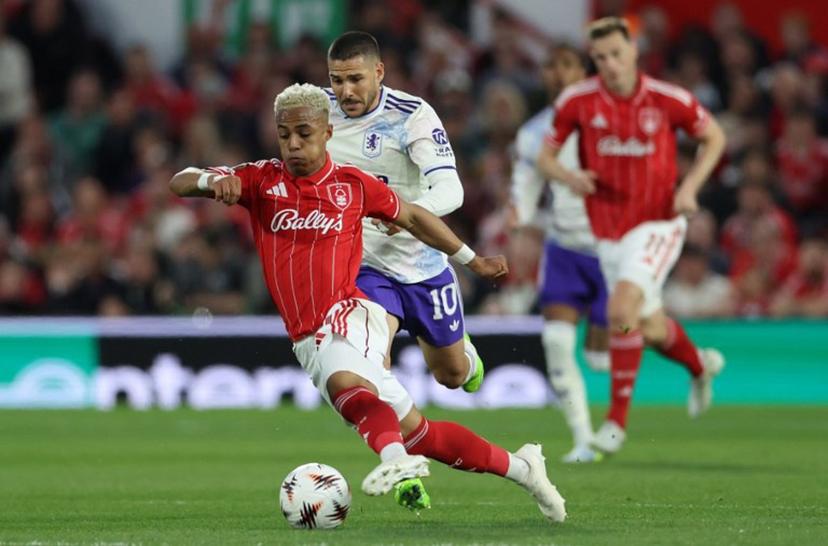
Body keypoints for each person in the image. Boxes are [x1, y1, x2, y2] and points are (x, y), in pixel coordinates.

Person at [169, 83, 566, 522]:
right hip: (306, 338)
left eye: (304, 133)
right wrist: (211, 180)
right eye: (285, 135)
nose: (294, 144)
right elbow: (180, 180)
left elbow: (414, 217)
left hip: (349, 311)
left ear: (328, 131)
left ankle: (393, 462)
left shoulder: (352, 186)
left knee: (344, 383)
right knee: (421, 435)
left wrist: (471, 261)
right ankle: (524, 468)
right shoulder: (260, 180)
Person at [538, 17, 727, 455]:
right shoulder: (577, 101)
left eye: (617, 54)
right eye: (601, 57)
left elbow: (714, 136)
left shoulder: (666, 98)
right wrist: (570, 175)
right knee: (645, 324)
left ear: (634, 51)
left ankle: (615, 424)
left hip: (658, 223)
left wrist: (689, 187)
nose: (610, 64)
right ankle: (699, 368)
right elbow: (546, 159)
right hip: (607, 232)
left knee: (620, 307)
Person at [322, 31, 484, 394]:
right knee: (371, 361)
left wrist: (405, 213)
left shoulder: (412, 116)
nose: (345, 91)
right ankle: (395, 449)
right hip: (361, 264)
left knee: (452, 375)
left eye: (355, 79)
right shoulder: (319, 113)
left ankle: (466, 354)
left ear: (379, 72)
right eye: (336, 80)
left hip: (419, 261)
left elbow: (450, 190)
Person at [510, 44, 609, 464]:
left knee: (599, 359)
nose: (557, 73)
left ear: (582, 72)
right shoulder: (533, 132)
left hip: (611, 249)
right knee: (555, 341)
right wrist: (519, 216)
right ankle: (584, 440)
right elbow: (527, 183)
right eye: (550, 65)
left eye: (565, 64)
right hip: (564, 246)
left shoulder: (608, 119)